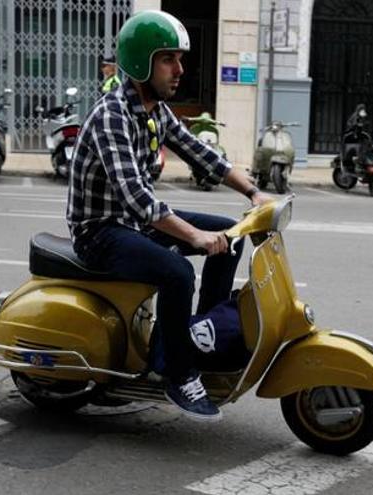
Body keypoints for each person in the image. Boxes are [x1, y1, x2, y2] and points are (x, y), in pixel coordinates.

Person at [68, 10, 273, 422]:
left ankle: (197, 338)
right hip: (101, 232)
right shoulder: (112, 116)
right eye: (169, 60)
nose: (179, 70)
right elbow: (138, 198)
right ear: (143, 63)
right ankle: (177, 371)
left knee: (227, 236)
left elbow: (202, 154)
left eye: (179, 59)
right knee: (178, 272)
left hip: (133, 223)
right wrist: (193, 236)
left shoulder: (154, 110)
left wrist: (253, 192)